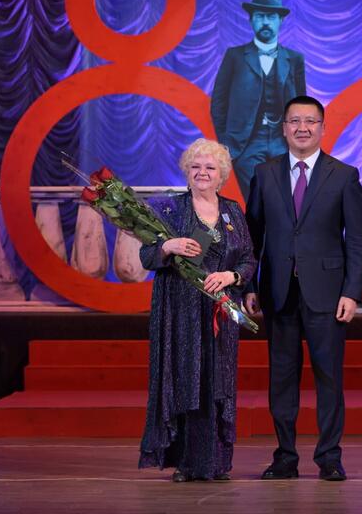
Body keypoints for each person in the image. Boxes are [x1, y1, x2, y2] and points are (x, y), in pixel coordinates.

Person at [244, 95, 362, 482]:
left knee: (329, 377)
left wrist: (352, 292)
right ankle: (285, 456)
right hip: (277, 292)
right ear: (284, 128)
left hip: (328, 295)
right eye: (295, 121)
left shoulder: (344, 175)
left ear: (323, 128)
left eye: (310, 121)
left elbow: (357, 240)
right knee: (281, 378)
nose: (302, 128)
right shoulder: (264, 174)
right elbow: (252, 237)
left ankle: (329, 457)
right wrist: (249, 285)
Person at [138, 138, 256, 482]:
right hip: (180, 310)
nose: (202, 173)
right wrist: (167, 246)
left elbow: (248, 259)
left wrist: (232, 276)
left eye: (210, 167)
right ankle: (187, 463)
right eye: (196, 166)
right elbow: (146, 256)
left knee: (218, 382)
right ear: (186, 171)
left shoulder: (233, 211)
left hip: (221, 310)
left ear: (222, 175)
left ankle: (217, 463)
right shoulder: (170, 209)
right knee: (185, 380)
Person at [211, 0, 306, 199]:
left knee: (284, 200)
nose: (265, 22)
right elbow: (218, 104)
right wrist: (227, 142)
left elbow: (302, 105)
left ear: (280, 20)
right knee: (257, 198)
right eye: (259, 16)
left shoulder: (294, 59)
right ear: (251, 20)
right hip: (246, 144)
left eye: (271, 17)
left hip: (284, 142)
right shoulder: (235, 56)